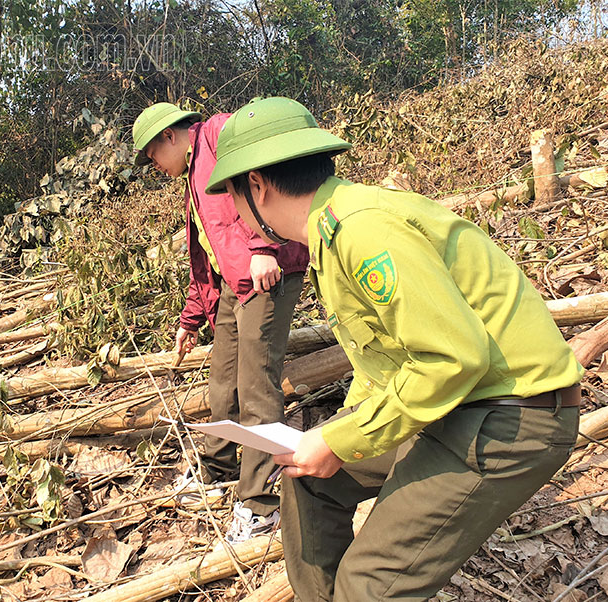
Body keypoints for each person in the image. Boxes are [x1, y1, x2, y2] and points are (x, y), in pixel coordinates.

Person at [204, 96, 583, 600]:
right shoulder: (334, 229)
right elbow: (384, 360)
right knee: (308, 478)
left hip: (510, 416)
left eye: (231, 194)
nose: (234, 212)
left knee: (371, 584)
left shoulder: (361, 229)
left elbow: (453, 357)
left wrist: (342, 440)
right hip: (457, 405)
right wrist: (338, 432)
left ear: (257, 184)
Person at [131, 102, 309, 543]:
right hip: (234, 284)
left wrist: (262, 245)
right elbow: (206, 255)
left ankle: (262, 503)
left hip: (269, 272)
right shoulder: (192, 178)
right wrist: (190, 320)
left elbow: (263, 179)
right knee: (222, 380)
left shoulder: (220, 134)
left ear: (171, 135)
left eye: (153, 155)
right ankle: (218, 466)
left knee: (256, 387)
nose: (155, 166)